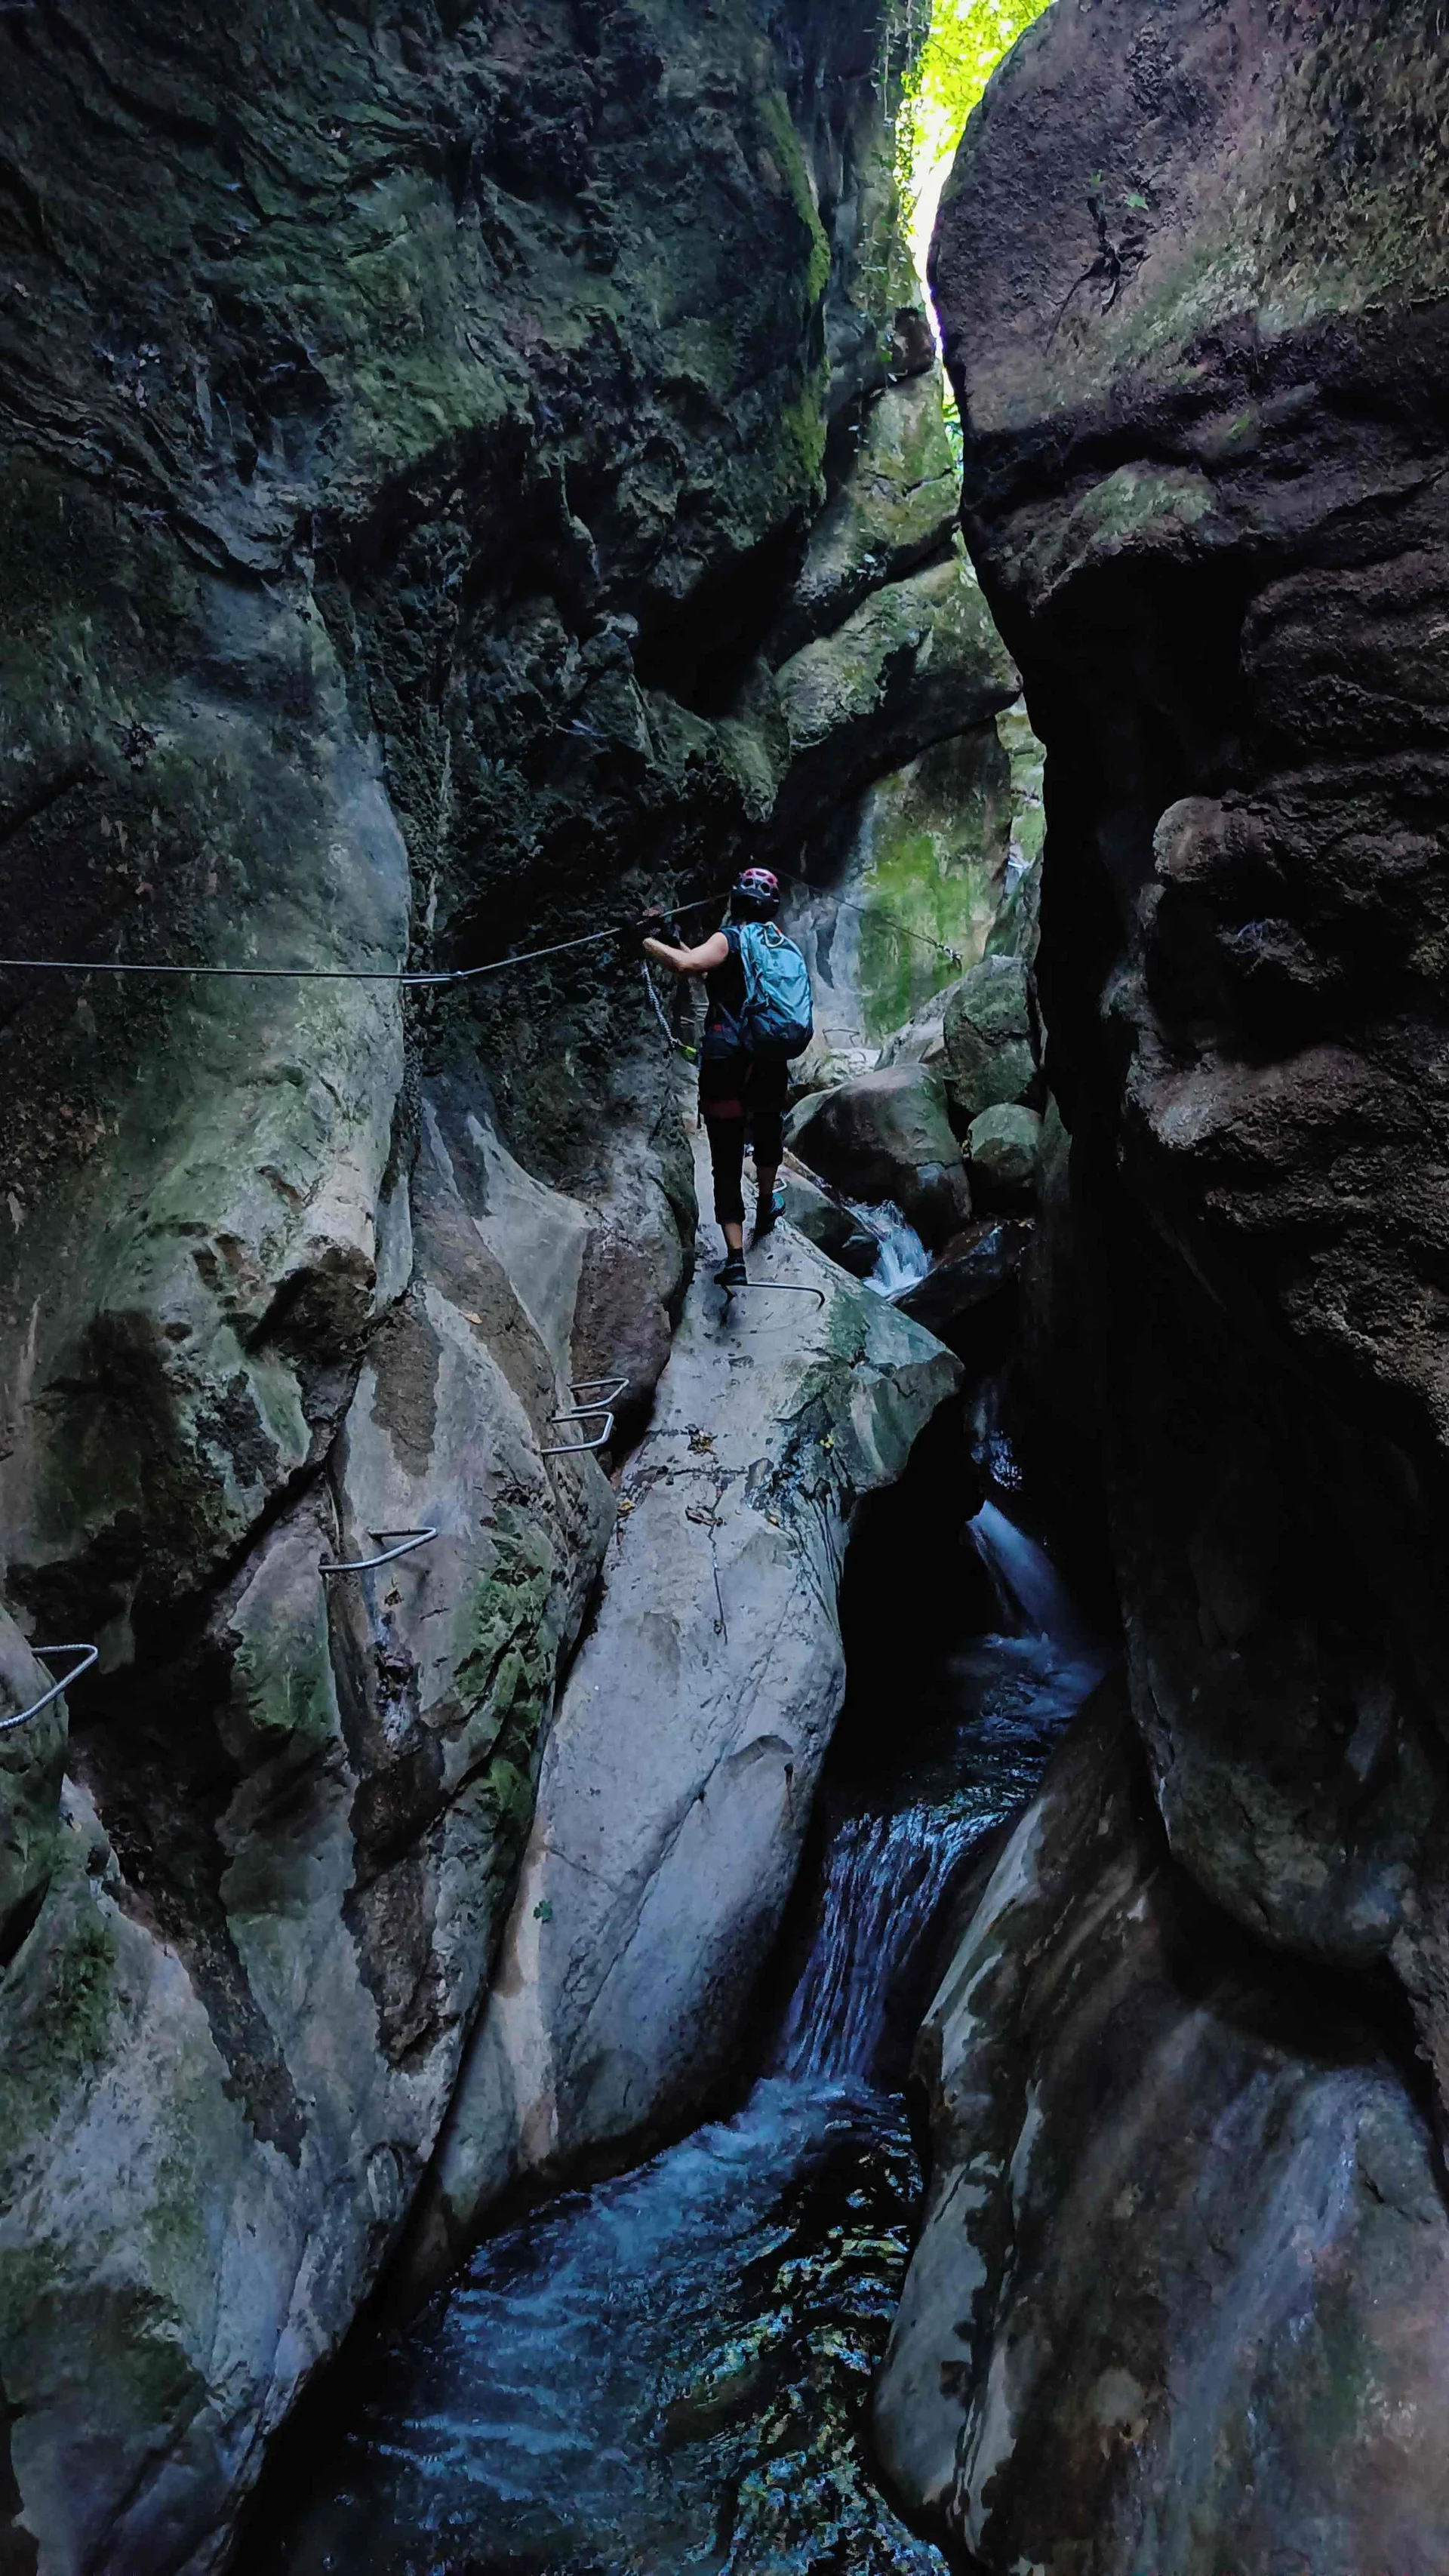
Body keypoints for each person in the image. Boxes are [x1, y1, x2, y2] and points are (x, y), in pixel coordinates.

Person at [642, 867, 792, 1288]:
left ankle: (736, 1259)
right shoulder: (777, 944)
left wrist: (644, 941)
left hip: (727, 1064)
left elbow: (687, 965)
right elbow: (712, 970)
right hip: (768, 1061)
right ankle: (767, 1204)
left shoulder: (729, 938)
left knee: (726, 1160)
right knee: (768, 1134)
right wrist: (671, 937)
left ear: (735, 901)